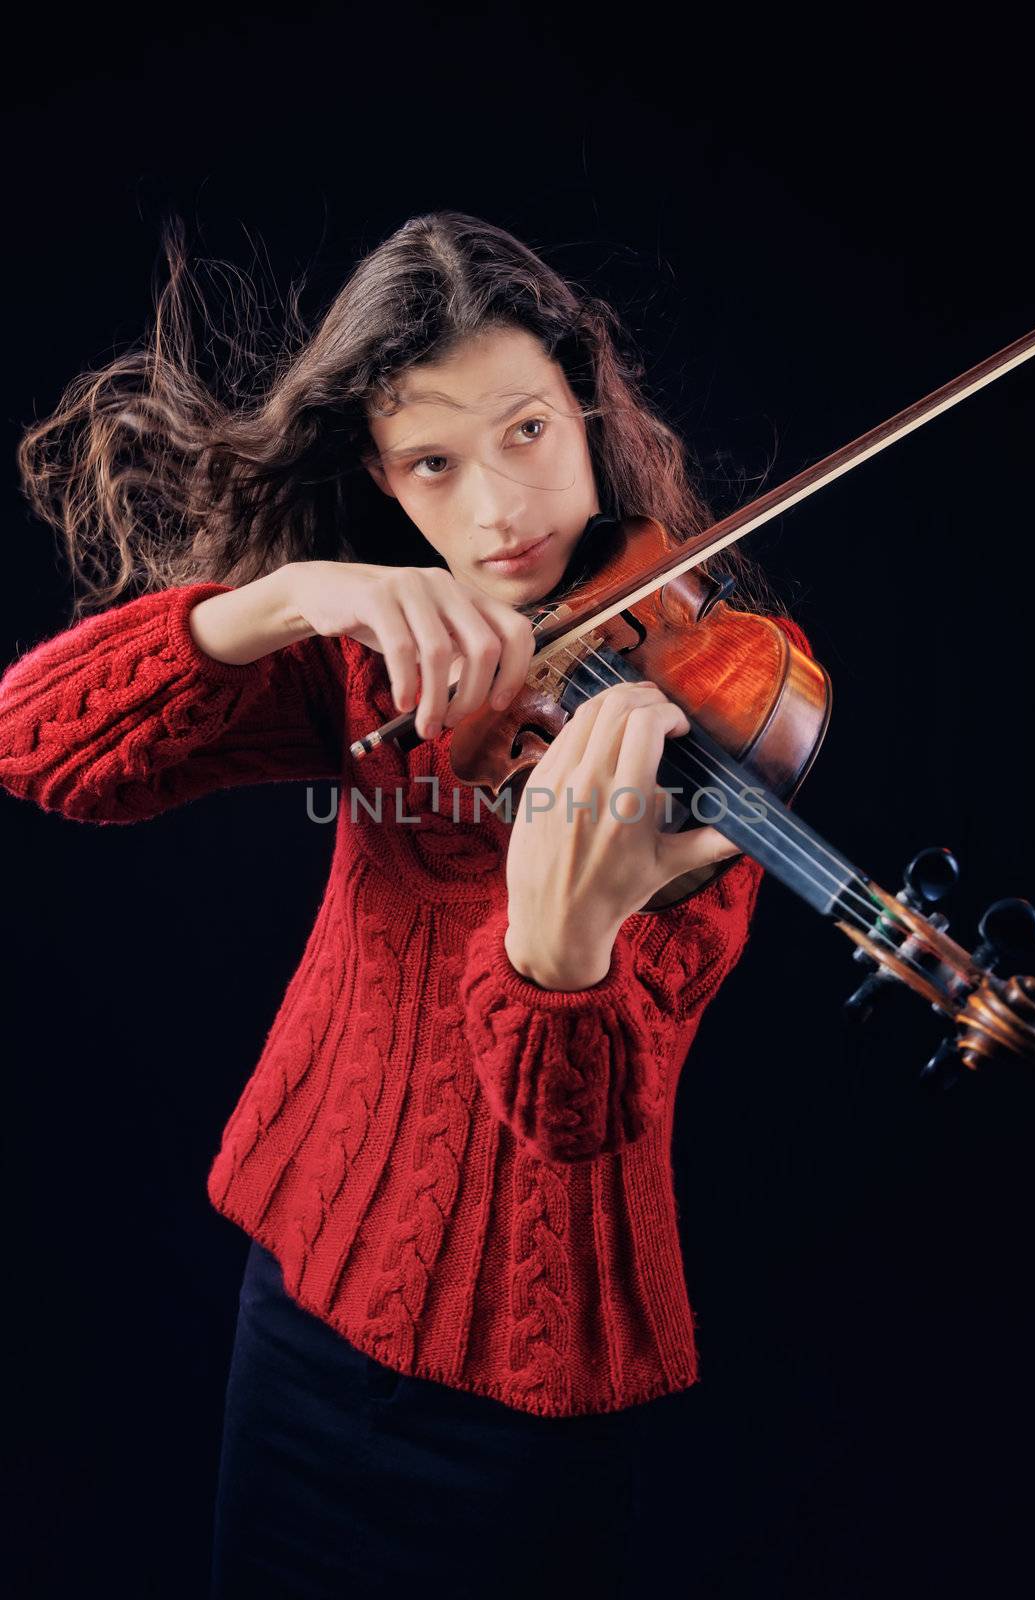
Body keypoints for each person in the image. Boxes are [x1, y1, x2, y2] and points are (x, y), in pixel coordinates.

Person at [0, 209, 812, 1598]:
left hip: (533, 1382)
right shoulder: (374, 657)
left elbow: (580, 1121)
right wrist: (287, 600)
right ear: (382, 483)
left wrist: (559, 952)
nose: (497, 508)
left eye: (525, 434)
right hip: (305, 1298)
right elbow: (39, 746)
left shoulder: (707, 701)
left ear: (584, 411)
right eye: (433, 464)